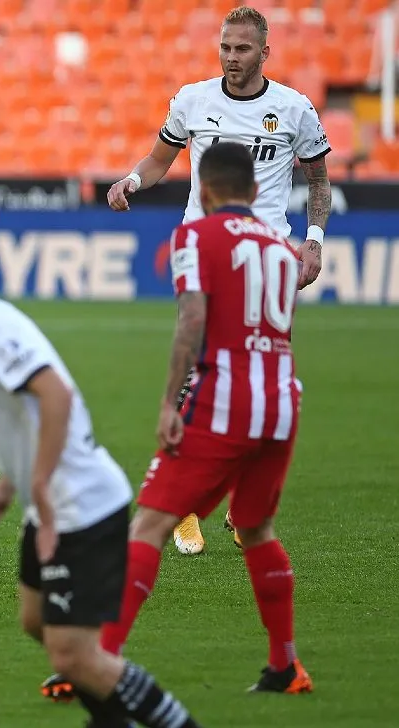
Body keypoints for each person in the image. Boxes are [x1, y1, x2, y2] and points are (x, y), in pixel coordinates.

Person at [0, 221, 204, 728]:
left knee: (73, 656)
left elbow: (55, 395)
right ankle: (114, 718)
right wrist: (8, 485)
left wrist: (38, 487)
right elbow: (29, 415)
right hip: (50, 502)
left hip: (79, 503)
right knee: (37, 622)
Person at [106, 5, 332, 557]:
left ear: (264, 52)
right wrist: (133, 179)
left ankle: (240, 506)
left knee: (263, 381)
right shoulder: (192, 101)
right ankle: (185, 505)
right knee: (199, 368)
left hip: (272, 257)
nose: (232, 57)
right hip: (205, 252)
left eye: (243, 49)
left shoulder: (294, 109)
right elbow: (159, 160)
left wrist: (315, 240)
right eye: (226, 47)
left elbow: (319, 180)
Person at [98, 142, 313, 696]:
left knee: (148, 524)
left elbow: (192, 320)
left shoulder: (194, 236)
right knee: (259, 528)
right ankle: (285, 665)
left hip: (226, 399)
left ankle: (96, 663)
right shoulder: (282, 249)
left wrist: (171, 401)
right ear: (257, 190)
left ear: (205, 189)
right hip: (282, 399)